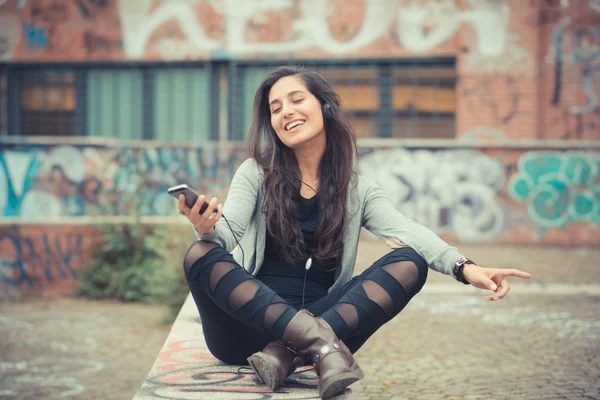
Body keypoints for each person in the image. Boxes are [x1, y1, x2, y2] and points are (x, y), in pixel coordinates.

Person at [177, 65, 531, 399]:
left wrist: (465, 267)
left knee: (409, 262)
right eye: (276, 107)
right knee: (200, 254)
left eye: (297, 100)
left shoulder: (357, 191)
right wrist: (205, 227)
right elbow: (227, 233)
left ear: (325, 106)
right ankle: (318, 345)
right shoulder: (255, 173)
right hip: (245, 327)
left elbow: (406, 230)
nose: (286, 111)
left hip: (328, 317)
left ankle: (288, 351)